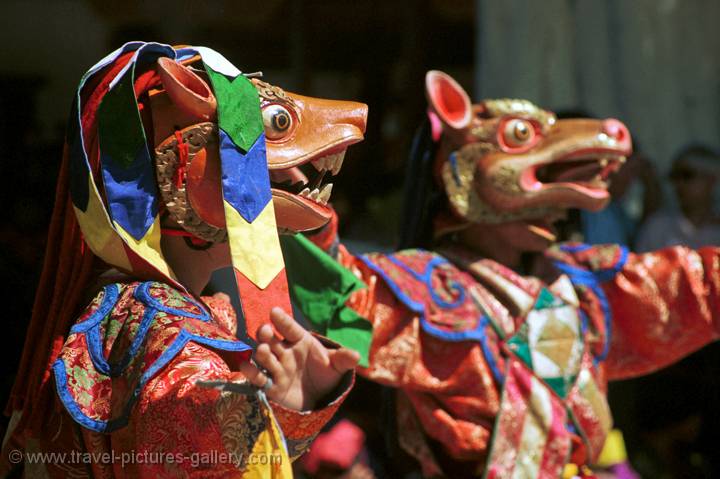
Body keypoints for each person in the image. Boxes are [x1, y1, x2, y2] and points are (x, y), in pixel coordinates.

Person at [288, 71, 720, 478]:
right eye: (519, 138)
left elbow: (697, 284)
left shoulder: (587, 279)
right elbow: (339, 295)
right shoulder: (425, 287)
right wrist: (299, 199)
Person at [0, 42, 367, 478]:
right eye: (269, 129)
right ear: (179, 167)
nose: (297, 177)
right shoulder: (162, 327)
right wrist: (275, 406)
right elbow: (182, 410)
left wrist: (280, 407)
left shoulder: (130, 304)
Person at [635, 144, 720, 252]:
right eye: (674, 176)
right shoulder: (657, 227)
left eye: (687, 175)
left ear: (712, 180)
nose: (679, 184)